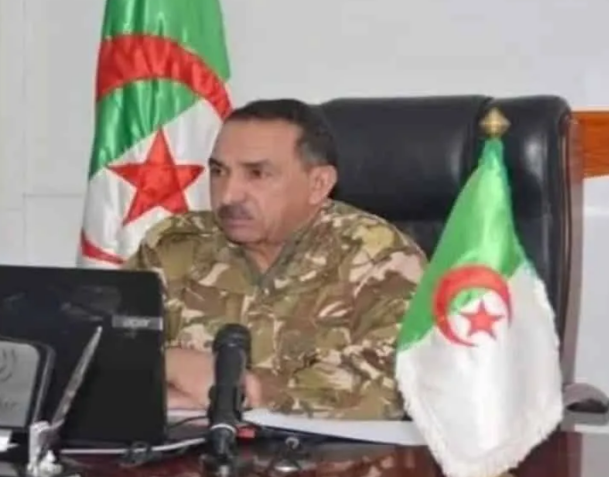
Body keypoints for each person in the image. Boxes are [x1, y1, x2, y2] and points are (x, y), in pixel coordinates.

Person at [124, 98, 428, 420]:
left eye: (257, 174)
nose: (228, 195)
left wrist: (246, 390)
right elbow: (102, 352)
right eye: (218, 171)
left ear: (318, 184)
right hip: (184, 448)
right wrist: (170, 361)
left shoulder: (379, 258)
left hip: (324, 452)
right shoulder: (175, 246)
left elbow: (396, 387)